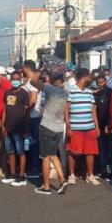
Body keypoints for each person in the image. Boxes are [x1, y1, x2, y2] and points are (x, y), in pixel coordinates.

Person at [24, 67, 67, 195]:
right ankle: (62, 180)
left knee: (45, 157)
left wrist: (40, 71)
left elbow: (32, 82)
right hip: (58, 128)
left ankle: (47, 186)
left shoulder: (49, 89)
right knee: (53, 155)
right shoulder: (65, 92)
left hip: (47, 127)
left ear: (54, 79)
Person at [66, 68, 101, 185]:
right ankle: (71, 175)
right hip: (75, 128)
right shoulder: (71, 91)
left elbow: (93, 110)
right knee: (73, 152)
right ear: (84, 77)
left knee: (90, 152)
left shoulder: (89, 92)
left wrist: (97, 126)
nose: (91, 80)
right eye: (89, 77)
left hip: (89, 127)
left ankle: (90, 175)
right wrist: (69, 127)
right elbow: (66, 110)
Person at [0, 70, 30, 187]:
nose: (15, 81)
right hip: (8, 128)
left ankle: (21, 176)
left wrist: (26, 129)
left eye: (17, 79)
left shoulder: (24, 94)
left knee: (20, 152)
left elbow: (26, 112)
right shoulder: (7, 93)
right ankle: (12, 174)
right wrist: (3, 124)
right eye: (13, 79)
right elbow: (5, 110)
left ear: (21, 80)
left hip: (19, 128)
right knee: (10, 152)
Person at [22, 60, 42, 178]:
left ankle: (34, 169)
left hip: (33, 117)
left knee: (33, 143)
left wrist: (26, 112)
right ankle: (33, 167)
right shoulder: (30, 81)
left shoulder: (33, 82)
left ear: (26, 68)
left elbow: (33, 101)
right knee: (30, 143)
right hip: (32, 116)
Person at [93, 75, 111, 179]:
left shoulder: (111, 93)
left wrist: (110, 124)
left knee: (110, 149)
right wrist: (96, 126)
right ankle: (102, 170)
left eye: (102, 82)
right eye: (99, 82)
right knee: (101, 148)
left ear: (106, 81)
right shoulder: (96, 95)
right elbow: (94, 110)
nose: (101, 84)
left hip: (109, 125)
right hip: (99, 125)